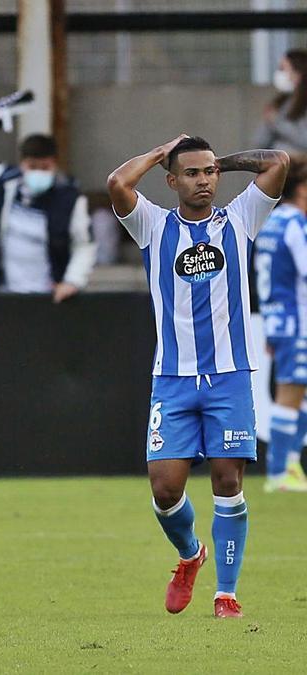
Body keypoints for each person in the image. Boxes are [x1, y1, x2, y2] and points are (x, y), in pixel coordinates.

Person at [107, 134, 289, 619]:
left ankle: (225, 594)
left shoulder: (240, 218)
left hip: (230, 376)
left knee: (228, 480)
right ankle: (190, 555)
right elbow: (118, 182)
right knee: (165, 490)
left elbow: (278, 162)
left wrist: (217, 161)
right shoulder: (153, 225)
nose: (204, 180)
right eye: (191, 173)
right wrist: (161, 151)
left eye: (209, 172)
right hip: (173, 378)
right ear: (171, 181)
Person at [0, 113, 96, 302]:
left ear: (55, 164)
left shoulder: (70, 198)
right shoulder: (2, 182)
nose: (38, 172)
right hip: (7, 294)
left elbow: (84, 244)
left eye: (45, 167)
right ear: (22, 164)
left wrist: (72, 281)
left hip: (52, 296)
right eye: (32, 166)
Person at [255, 157, 307, 493]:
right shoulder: (295, 224)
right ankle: (279, 472)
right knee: (291, 392)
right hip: (297, 318)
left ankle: (289, 464)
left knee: (297, 392)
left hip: (279, 316)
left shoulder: (273, 221)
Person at [255, 50, 307, 154]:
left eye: (283, 69)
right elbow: (260, 142)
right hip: (280, 162)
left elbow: (304, 140)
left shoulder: (302, 103)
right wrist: (269, 122)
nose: (280, 73)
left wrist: (276, 122)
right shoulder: (284, 102)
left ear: (298, 72)